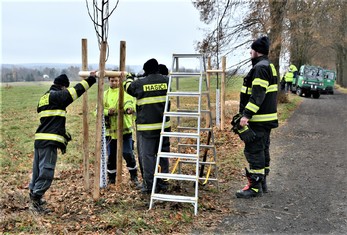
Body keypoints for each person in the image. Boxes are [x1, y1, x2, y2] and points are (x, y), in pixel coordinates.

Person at [29, 72, 97, 213]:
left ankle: (34, 195)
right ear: (63, 87)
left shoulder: (44, 97)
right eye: (66, 88)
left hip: (40, 140)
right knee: (46, 171)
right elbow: (76, 91)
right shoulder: (57, 96)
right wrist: (90, 79)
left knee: (37, 171)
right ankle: (36, 200)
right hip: (49, 141)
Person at [235, 36, 279, 198]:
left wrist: (246, 115)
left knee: (254, 151)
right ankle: (262, 183)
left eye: (251, 49)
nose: (250, 52)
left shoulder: (260, 68)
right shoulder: (269, 66)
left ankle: (254, 188)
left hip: (258, 120)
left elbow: (258, 95)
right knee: (263, 150)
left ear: (257, 51)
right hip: (266, 119)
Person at [124, 58, 170, 195]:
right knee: (162, 155)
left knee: (148, 156)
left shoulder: (140, 83)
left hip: (147, 129)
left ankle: (150, 185)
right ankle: (163, 182)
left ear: (145, 71)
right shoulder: (167, 81)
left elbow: (127, 87)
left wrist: (128, 77)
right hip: (164, 127)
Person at [102, 76, 140, 188]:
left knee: (128, 153)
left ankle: (134, 177)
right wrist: (107, 111)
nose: (114, 82)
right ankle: (111, 179)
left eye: (116, 80)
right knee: (111, 157)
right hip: (110, 133)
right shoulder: (104, 95)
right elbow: (97, 110)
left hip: (125, 132)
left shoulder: (125, 93)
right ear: (109, 81)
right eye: (112, 80)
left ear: (120, 81)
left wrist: (129, 109)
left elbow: (130, 103)